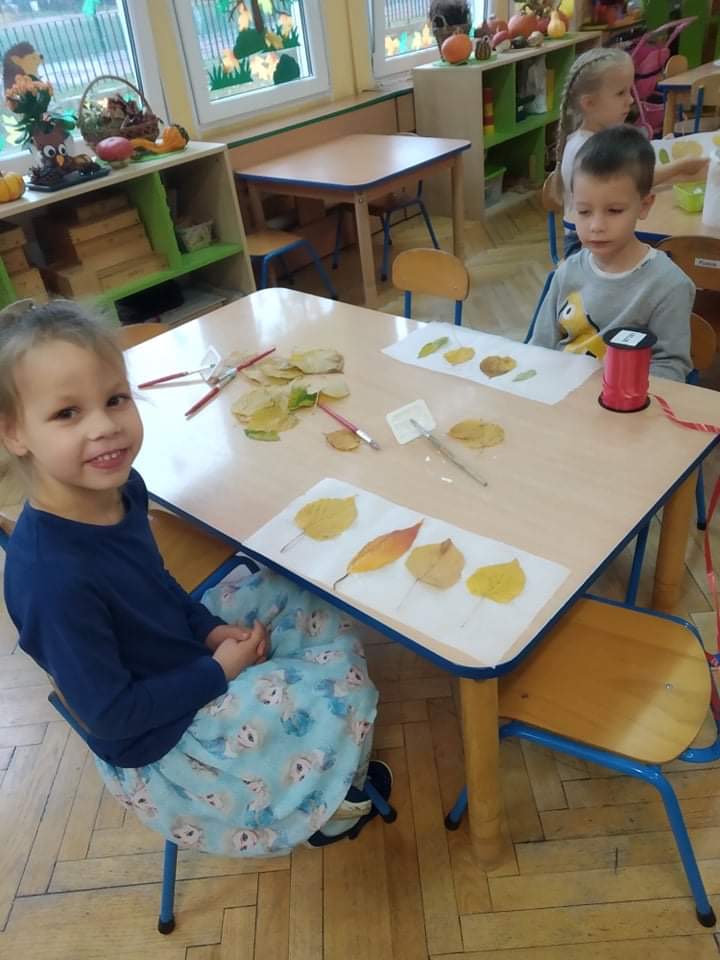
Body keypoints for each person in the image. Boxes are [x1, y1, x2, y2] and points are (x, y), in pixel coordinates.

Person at [0, 299, 388, 857]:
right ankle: (320, 806)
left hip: (181, 657)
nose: (105, 426)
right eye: (67, 413)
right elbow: (112, 716)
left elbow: (155, 584)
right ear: (14, 432)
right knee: (335, 690)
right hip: (164, 742)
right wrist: (218, 670)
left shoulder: (121, 489)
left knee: (307, 595)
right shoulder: (51, 580)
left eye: (115, 399)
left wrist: (206, 629)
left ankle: (321, 772)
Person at [531, 125, 693, 383]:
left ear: (644, 205)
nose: (596, 226)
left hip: (623, 400)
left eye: (614, 211)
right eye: (584, 211)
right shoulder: (567, 273)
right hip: (559, 393)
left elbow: (670, 368)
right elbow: (539, 348)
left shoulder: (669, 286)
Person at [552, 47, 708, 258]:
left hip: (606, 233)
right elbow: (632, 180)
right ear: (589, 103)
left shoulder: (607, 136)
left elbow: (629, 169)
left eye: (629, 90)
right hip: (587, 245)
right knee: (671, 254)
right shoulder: (586, 149)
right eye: (620, 93)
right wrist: (679, 166)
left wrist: (664, 148)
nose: (631, 99)